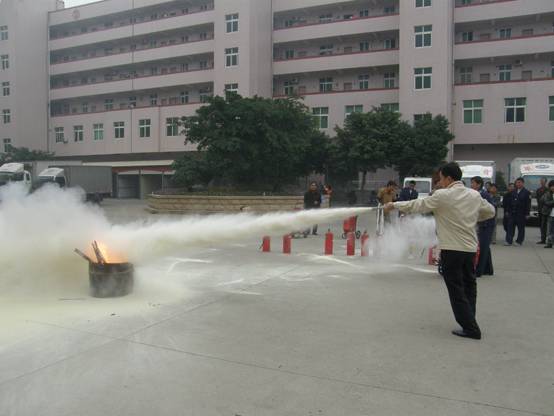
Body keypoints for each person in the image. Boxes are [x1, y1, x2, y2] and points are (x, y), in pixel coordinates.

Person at [384, 162, 495, 340]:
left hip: (452, 248)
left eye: (441, 178)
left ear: (449, 178)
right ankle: (469, 318)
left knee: (455, 287)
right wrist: (471, 216)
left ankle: (470, 327)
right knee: (469, 284)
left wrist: (395, 205)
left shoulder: (442, 195)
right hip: (469, 249)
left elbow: (418, 205)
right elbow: (490, 211)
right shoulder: (474, 195)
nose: (440, 182)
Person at [471, 176, 495, 277]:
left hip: (486, 224)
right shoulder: (479, 193)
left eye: (473, 183)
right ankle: (488, 269)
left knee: (483, 248)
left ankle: (479, 270)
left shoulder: (481, 194)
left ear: (479, 184)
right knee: (485, 247)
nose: (471, 185)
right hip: (485, 223)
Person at [504, 177, 531, 246]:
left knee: (520, 227)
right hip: (512, 212)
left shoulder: (526, 192)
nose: (518, 184)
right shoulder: (513, 191)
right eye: (517, 183)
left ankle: (519, 241)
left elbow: (528, 204)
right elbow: (510, 203)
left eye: (519, 183)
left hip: (521, 213)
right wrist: (507, 211)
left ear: (523, 183)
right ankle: (509, 240)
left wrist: (527, 213)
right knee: (510, 226)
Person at [541, 180, 554, 248]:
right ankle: (550, 242)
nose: (553, 188)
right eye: (551, 186)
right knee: (549, 229)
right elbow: (546, 203)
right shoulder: (548, 194)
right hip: (550, 214)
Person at [536, 177, 548, 244]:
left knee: (545, 224)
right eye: (542, 181)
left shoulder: (548, 190)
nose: (542, 182)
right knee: (541, 224)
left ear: (546, 182)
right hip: (540, 209)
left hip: (546, 209)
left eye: (544, 181)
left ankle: (546, 237)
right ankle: (542, 238)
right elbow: (538, 199)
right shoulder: (538, 190)